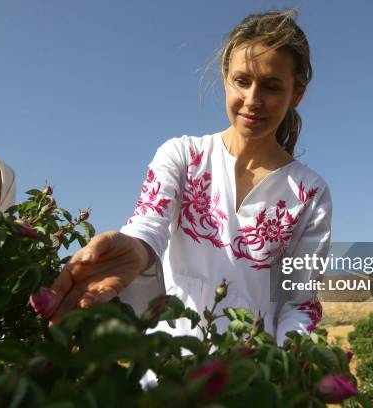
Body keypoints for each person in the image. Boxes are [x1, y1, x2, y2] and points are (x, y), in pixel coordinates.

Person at [45, 9, 332, 346]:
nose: (253, 100)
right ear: (225, 79)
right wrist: (134, 250)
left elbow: (298, 302)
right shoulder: (182, 156)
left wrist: (286, 364)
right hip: (165, 370)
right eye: (242, 81)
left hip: (250, 377)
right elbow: (148, 226)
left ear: (295, 94)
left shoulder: (309, 192)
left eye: (271, 86)